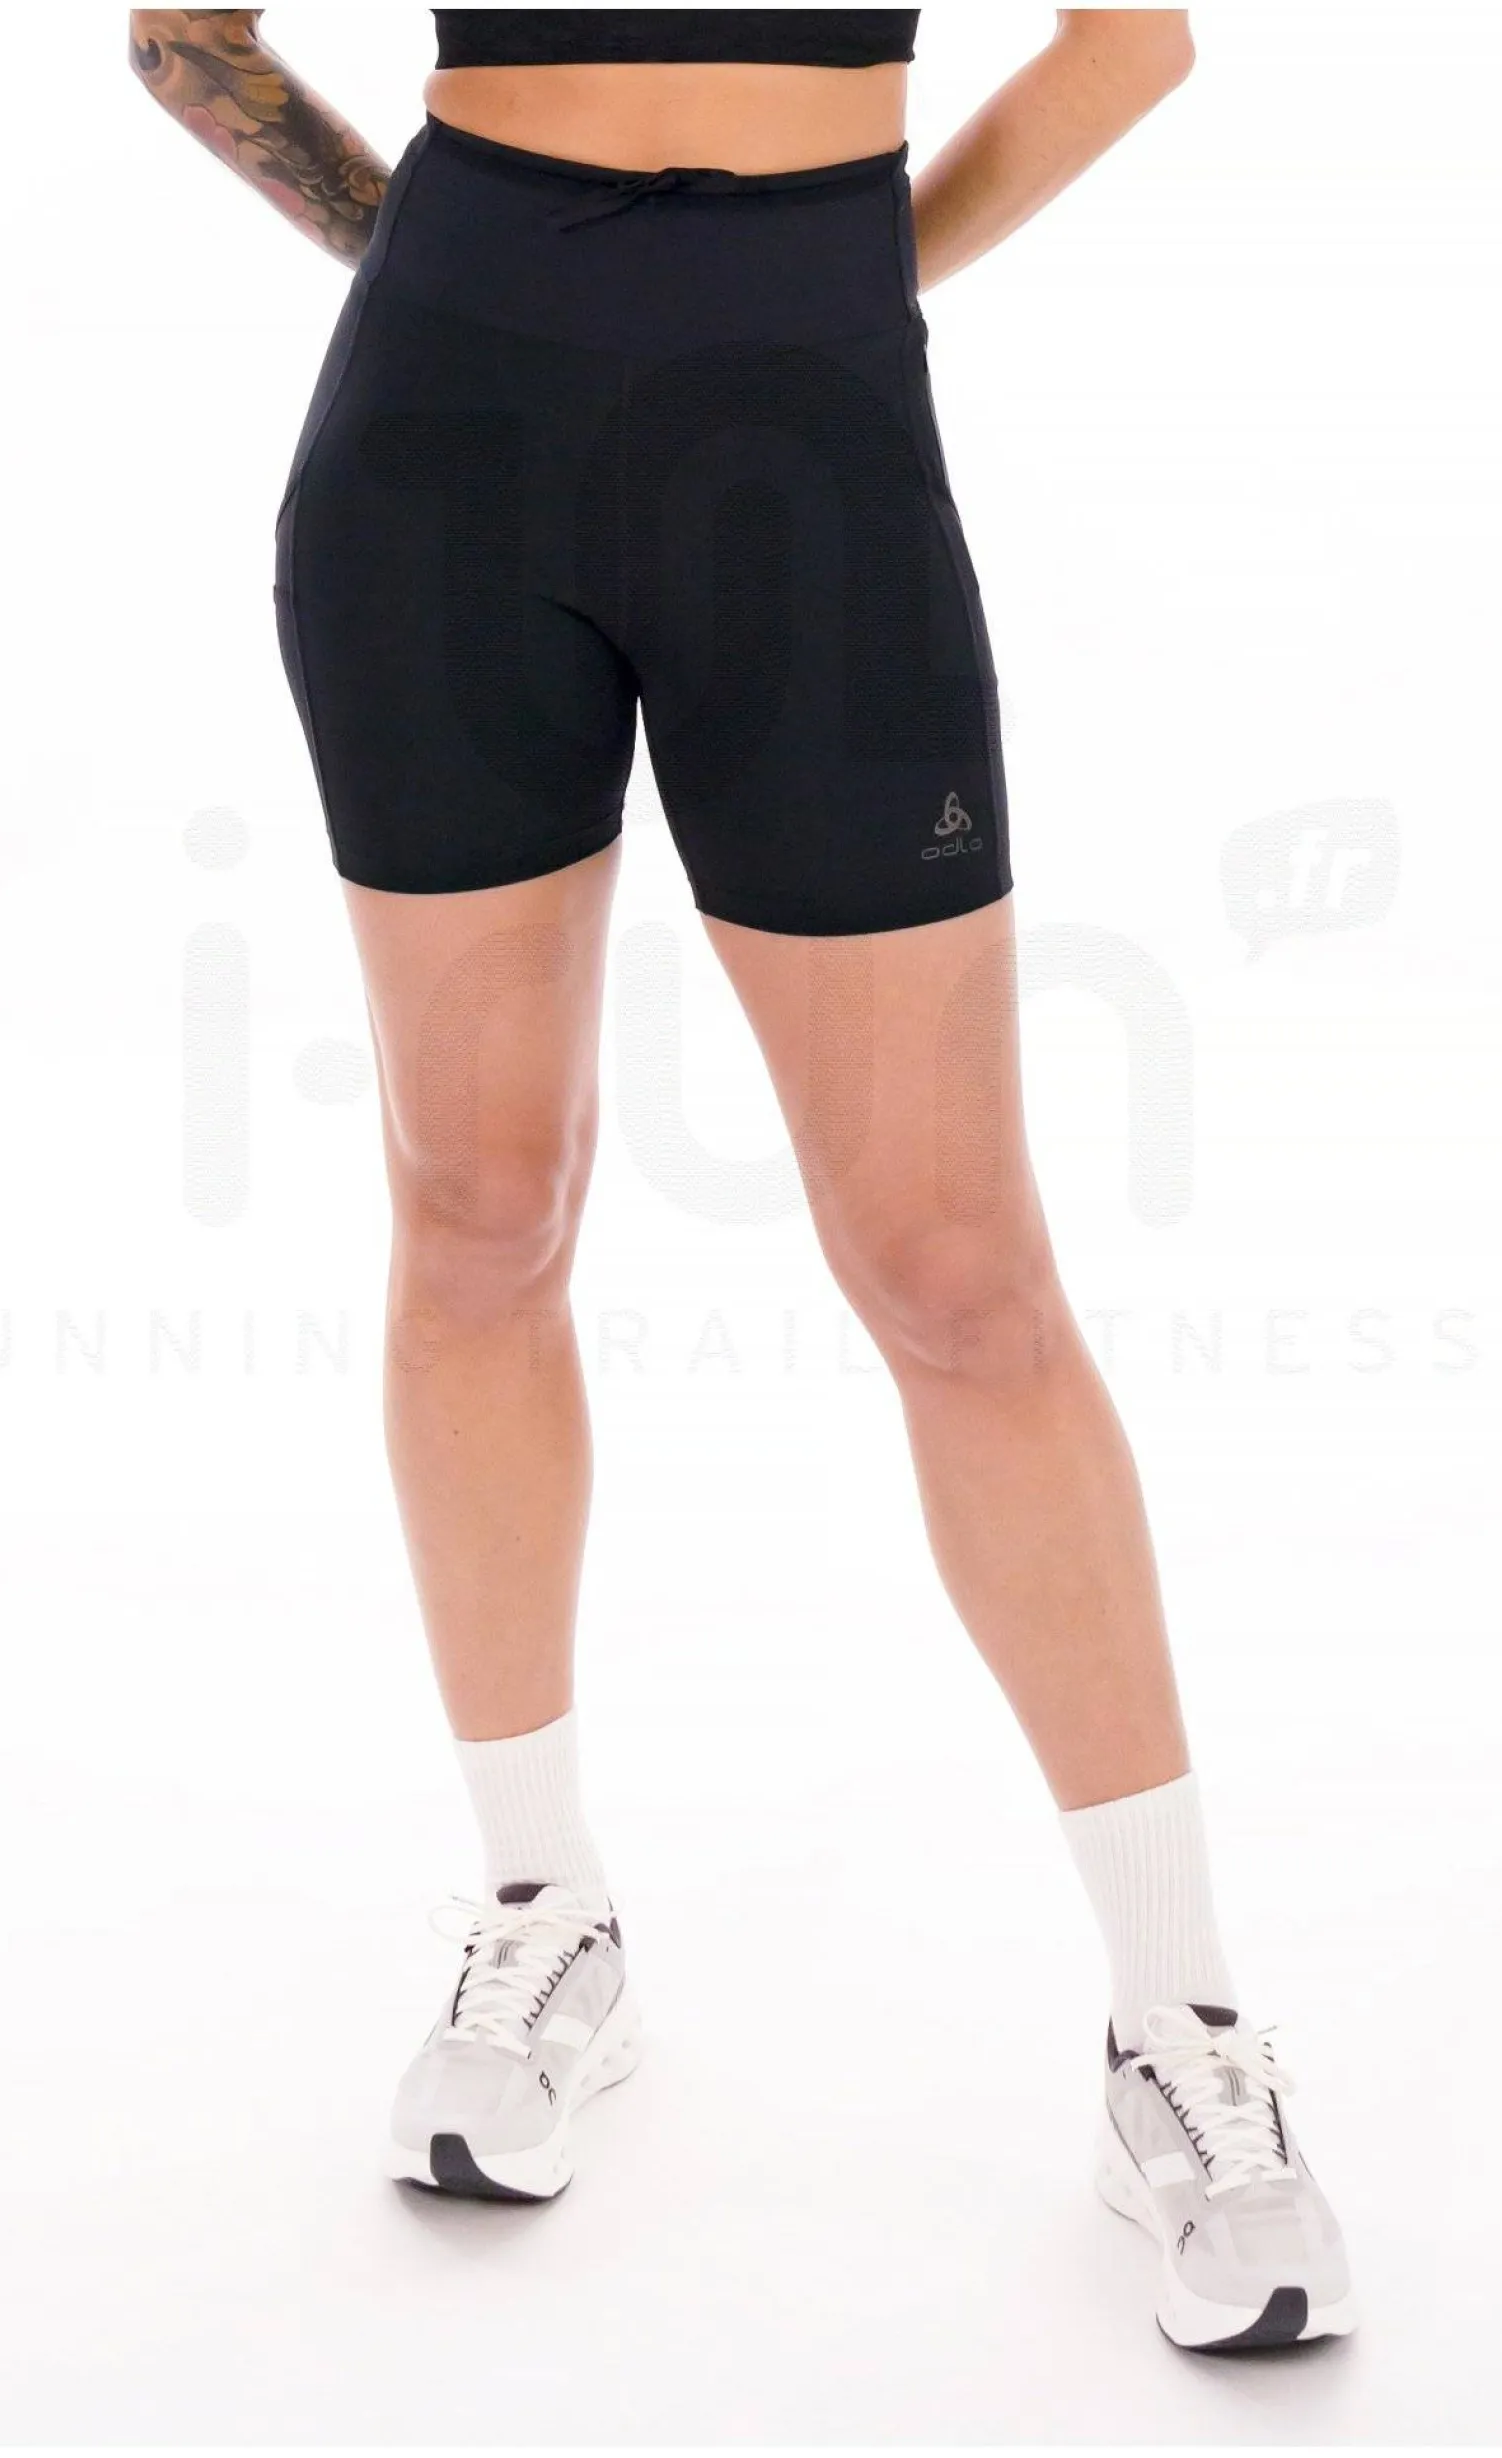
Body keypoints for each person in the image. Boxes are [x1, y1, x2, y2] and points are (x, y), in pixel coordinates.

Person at [130, 6, 1355, 2351]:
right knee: (477, 1208)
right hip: (443, 450)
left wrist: (816, 286)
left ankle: (1180, 2029)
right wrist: (479, 279)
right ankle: (542, 1910)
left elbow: (1132, 45)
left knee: (957, 1270)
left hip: (808, 430)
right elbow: (190, 39)